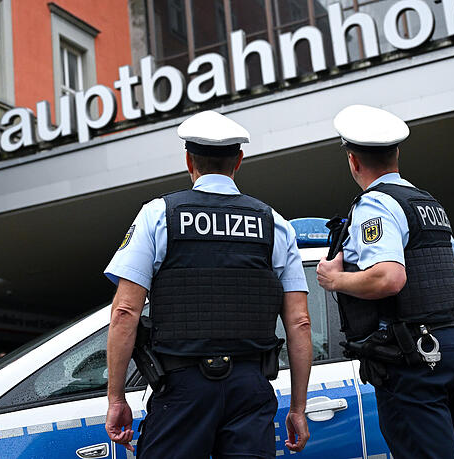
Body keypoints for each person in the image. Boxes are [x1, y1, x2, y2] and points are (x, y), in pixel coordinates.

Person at [104, 110, 313, 458]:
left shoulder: (159, 215)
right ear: (239, 161)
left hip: (182, 388)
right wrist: (297, 408)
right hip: (251, 388)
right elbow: (300, 322)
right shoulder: (274, 223)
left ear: (189, 160)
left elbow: (125, 311)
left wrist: (116, 398)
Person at [316, 105, 454, 459]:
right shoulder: (425, 202)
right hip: (452, 344)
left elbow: (390, 278)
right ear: (397, 154)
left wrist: (335, 279)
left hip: (412, 353)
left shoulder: (376, 205)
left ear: (353, 162)